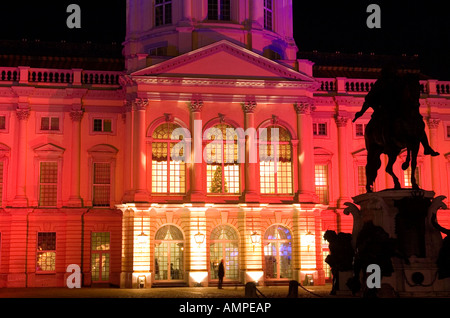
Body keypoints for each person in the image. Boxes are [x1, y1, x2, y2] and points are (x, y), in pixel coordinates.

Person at [353, 64, 439, 157]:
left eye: (393, 72)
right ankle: (387, 144)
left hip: (398, 108)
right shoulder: (382, 82)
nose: (393, 74)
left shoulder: (398, 81)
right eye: (392, 72)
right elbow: (370, 99)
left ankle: (426, 147)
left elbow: (406, 94)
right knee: (386, 121)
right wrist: (362, 112)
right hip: (385, 109)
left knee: (417, 122)